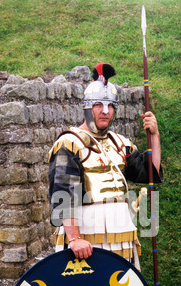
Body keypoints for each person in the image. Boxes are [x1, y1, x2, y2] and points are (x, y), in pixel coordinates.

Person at [48, 63, 163, 270]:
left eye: (110, 105)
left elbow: (150, 173)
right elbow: (63, 193)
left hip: (121, 233)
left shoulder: (120, 143)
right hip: (86, 237)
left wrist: (154, 136)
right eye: (98, 104)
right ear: (87, 106)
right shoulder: (69, 143)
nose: (105, 111)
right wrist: (74, 239)